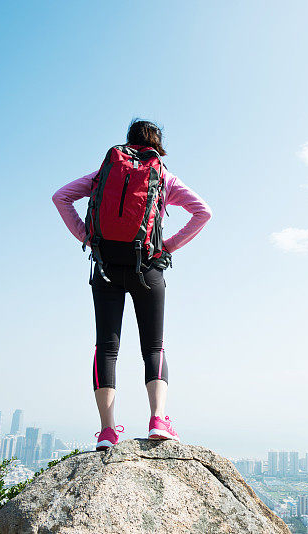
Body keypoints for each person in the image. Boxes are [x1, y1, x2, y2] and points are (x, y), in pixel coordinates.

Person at [51, 119, 212, 450]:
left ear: (128, 141)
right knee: (153, 347)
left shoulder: (105, 173)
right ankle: (158, 420)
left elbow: (61, 197)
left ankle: (108, 432)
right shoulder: (164, 177)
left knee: (107, 347)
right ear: (157, 144)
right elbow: (203, 212)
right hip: (148, 268)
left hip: (107, 267)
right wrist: (167, 245)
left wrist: (87, 236)